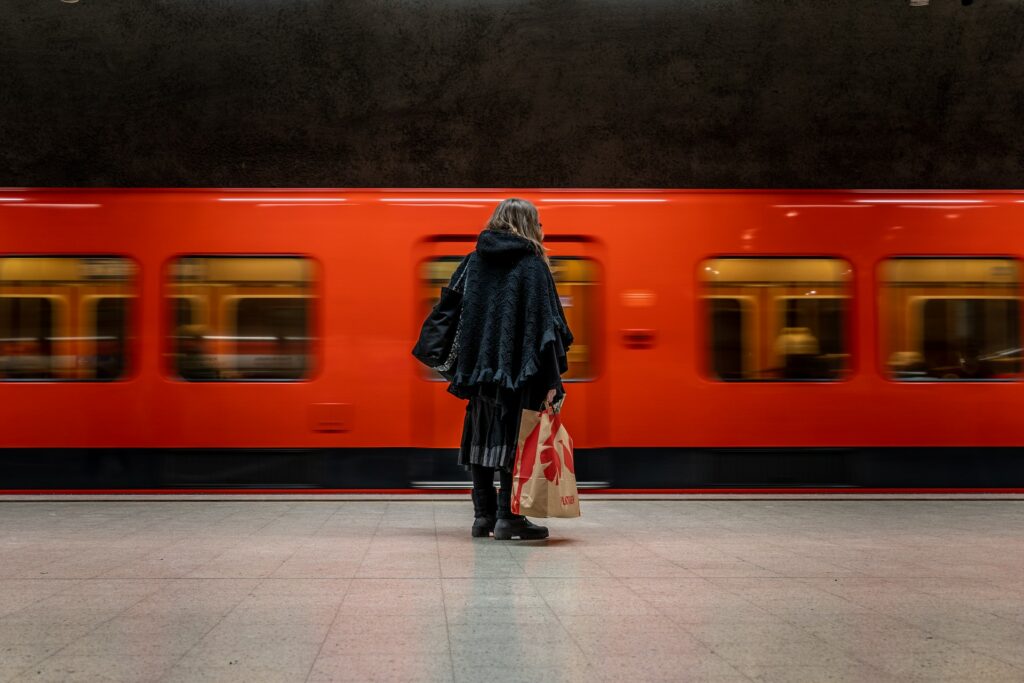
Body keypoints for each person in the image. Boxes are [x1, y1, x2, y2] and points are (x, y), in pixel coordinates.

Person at [444, 198, 573, 540]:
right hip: (519, 375)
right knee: (513, 440)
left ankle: (482, 517)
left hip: (478, 373)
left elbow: (449, 312)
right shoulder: (532, 266)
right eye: (539, 222)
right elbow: (547, 331)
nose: (542, 229)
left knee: (481, 438)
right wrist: (553, 383)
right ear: (527, 225)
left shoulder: (473, 262)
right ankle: (509, 517)